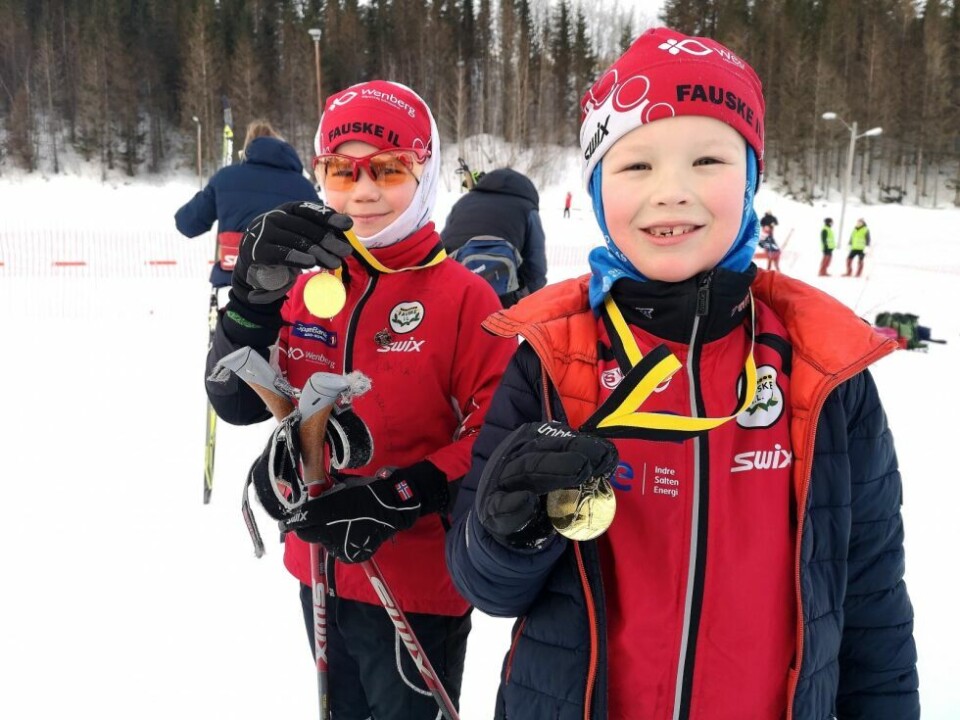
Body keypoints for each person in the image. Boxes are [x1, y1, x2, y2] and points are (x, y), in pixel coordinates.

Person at [446, 27, 919, 720]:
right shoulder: (553, 357)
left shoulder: (823, 369)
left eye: (707, 159)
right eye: (636, 167)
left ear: (753, 175)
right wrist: (506, 528)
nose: (672, 193)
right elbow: (485, 586)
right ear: (599, 190)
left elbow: (872, 602)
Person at [205, 81, 514, 718]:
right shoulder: (306, 287)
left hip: (416, 581)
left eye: (389, 168)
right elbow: (236, 401)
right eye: (341, 169)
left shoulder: (464, 298)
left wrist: (400, 494)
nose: (363, 190)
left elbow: (496, 439)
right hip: (317, 566)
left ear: (424, 174)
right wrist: (249, 302)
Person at [175, 120, 319, 288]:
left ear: (248, 148)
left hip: (232, 283)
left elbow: (187, 224)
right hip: (285, 288)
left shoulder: (225, 178)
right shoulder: (303, 186)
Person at [441, 167, 548, 307]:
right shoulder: (527, 208)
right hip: (503, 301)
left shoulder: (463, 203)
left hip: (455, 294)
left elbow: (441, 247)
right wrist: (525, 300)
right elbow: (536, 267)